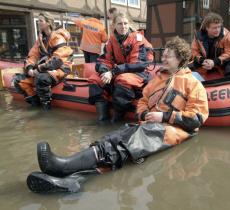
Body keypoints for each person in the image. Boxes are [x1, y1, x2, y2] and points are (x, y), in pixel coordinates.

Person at [26, 36, 209, 193]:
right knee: (116, 138)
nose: (165, 56)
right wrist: (144, 114)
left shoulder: (192, 84)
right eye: (165, 52)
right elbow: (143, 102)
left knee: (125, 144)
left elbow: (197, 119)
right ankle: (74, 180)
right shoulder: (156, 80)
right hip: (150, 126)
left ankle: (64, 167)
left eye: (170, 54)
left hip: (173, 130)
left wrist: (164, 117)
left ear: (181, 58)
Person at [88, 13, 154, 123]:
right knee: (95, 79)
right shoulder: (112, 40)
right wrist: (105, 71)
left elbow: (137, 64)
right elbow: (105, 60)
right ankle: (102, 119)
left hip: (138, 71)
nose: (123, 26)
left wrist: (113, 72)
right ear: (114, 25)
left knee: (123, 80)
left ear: (129, 24)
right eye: (119, 23)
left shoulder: (138, 39)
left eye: (125, 23)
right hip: (120, 71)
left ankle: (117, 118)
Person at [13, 12, 73, 110]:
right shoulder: (41, 39)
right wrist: (29, 68)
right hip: (46, 68)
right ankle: (35, 104)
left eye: (41, 21)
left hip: (62, 67)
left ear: (48, 23)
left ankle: (47, 108)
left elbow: (57, 61)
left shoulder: (58, 38)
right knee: (18, 80)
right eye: (38, 21)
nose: (38, 23)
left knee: (41, 79)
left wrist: (38, 70)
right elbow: (33, 55)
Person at [191, 12, 230, 78]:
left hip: (221, 63)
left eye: (219, 27)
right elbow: (194, 52)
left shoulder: (226, 35)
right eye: (214, 28)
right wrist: (202, 60)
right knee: (189, 68)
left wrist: (215, 62)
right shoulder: (199, 37)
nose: (217, 30)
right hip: (204, 64)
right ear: (207, 28)